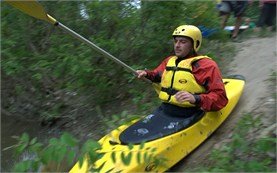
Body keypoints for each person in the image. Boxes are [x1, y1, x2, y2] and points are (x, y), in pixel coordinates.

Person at [136, 25, 228, 118]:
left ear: (194, 44)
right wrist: (147, 74)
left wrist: (195, 98)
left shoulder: (206, 65)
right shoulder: (169, 61)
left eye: (183, 42)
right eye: (176, 41)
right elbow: (157, 74)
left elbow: (220, 98)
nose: (177, 45)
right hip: (166, 109)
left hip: (192, 112)